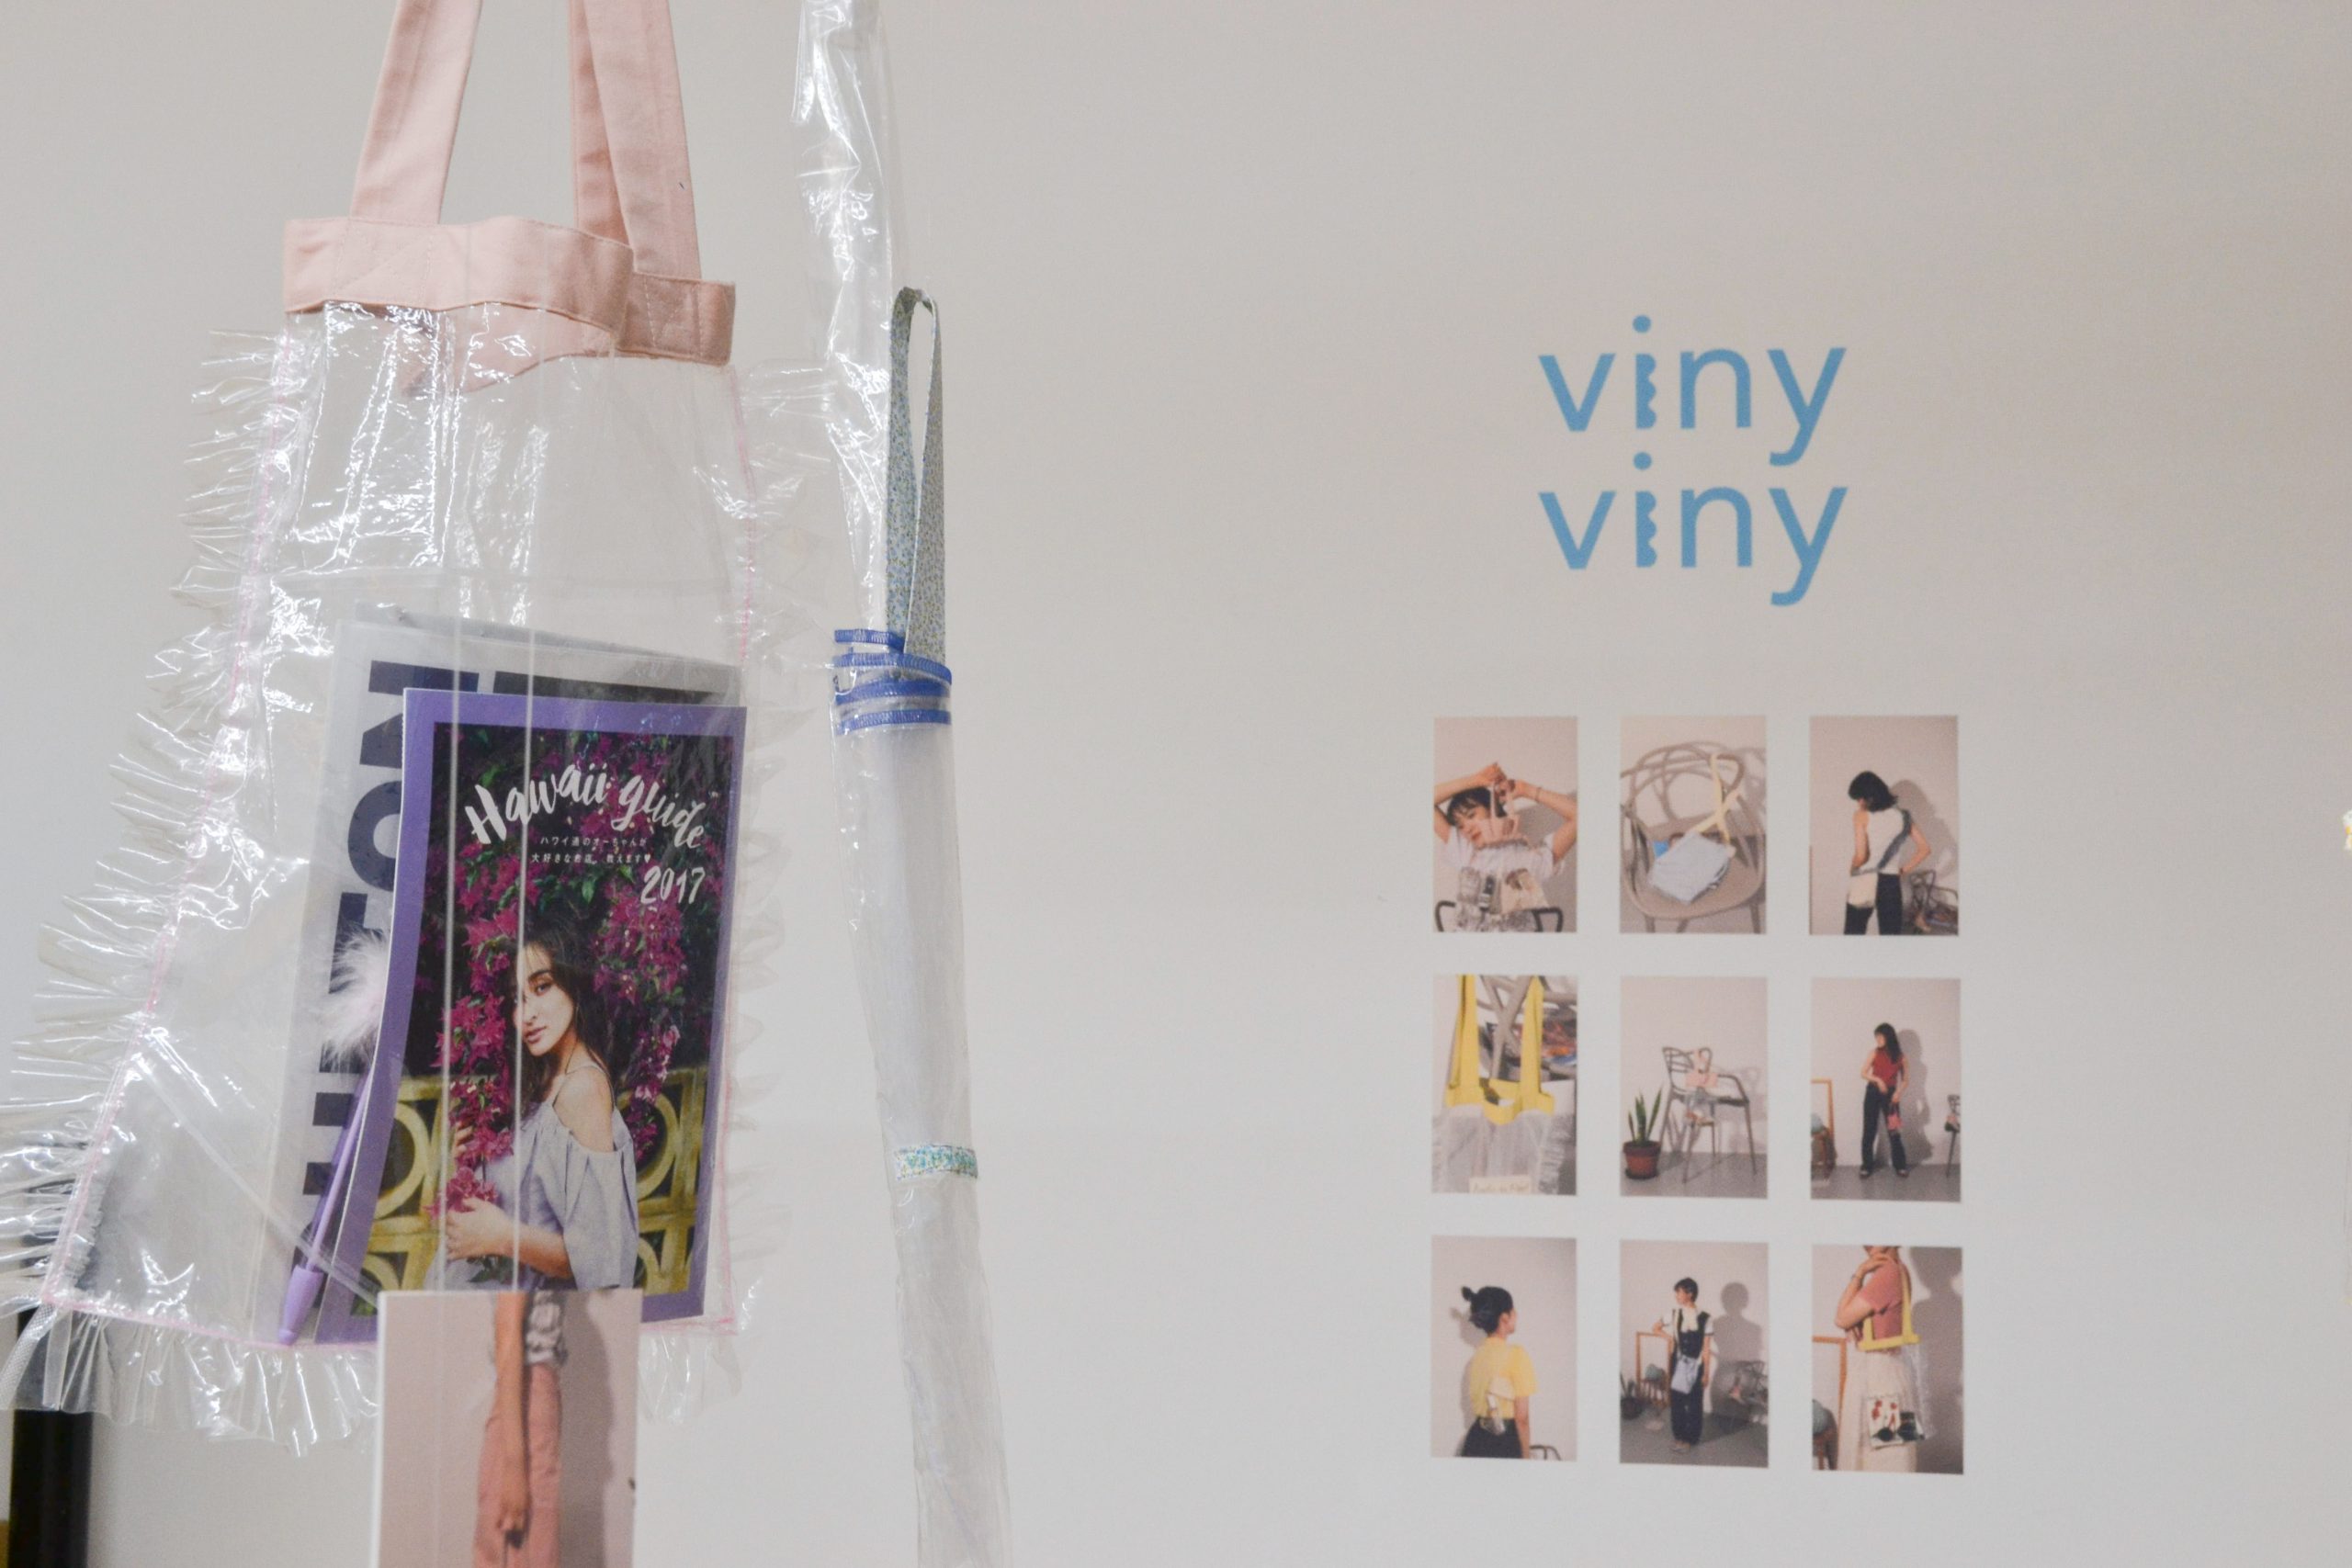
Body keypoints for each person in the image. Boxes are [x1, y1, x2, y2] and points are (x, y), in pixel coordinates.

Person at [445, 918, 641, 1291]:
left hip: (535, 1314)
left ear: (574, 982)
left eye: (542, 987)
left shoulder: (584, 1088)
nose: (527, 1015)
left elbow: (601, 1257)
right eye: (517, 998)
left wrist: (503, 1236)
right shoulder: (546, 1077)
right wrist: (472, 1165)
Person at [478, 1288, 564, 1564]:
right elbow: (508, 1326)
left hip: (528, 1392)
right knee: (522, 1549)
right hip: (525, 1395)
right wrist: (514, 1466)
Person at [1434, 762, 1578, 929]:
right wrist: (1476, 780)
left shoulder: (1531, 857)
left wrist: (1526, 790)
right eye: (1460, 826)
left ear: (1493, 808)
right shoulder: (1464, 849)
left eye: (1471, 815)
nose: (1467, 828)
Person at [1832, 1247, 1925, 1472]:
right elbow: (1849, 1318)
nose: (1867, 1243)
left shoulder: (1887, 1274)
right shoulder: (1901, 1270)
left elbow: (1841, 1318)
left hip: (1879, 1373)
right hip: (1892, 1368)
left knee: (1885, 1455)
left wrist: (1859, 1273)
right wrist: (1855, 1321)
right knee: (1892, 1450)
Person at [1843, 771, 1929, 934]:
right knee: (1891, 936)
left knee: (1853, 934)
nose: (1859, 803)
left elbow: (1861, 856)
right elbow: (1925, 849)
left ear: (1869, 796)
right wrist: (1901, 871)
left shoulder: (1861, 815)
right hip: (1891, 882)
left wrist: (1852, 868)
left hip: (1864, 879)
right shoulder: (1904, 817)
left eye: (1859, 798)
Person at [1457, 1285, 1537, 1458]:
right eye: (1513, 1311)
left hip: (1475, 1441)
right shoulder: (1517, 1355)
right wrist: (1526, 1456)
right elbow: (1522, 1419)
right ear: (1505, 1318)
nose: (1516, 1315)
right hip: (1504, 1442)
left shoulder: (1477, 1357)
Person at [1650, 1278, 1713, 1452]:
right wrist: (1669, 1338)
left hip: (1696, 1365)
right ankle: (1679, 1437)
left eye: (1679, 1292)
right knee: (1677, 1401)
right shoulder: (1674, 1313)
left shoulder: (1706, 1318)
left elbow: (1706, 1348)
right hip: (1678, 1363)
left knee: (1694, 1403)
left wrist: (1706, 1373)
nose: (1676, 1296)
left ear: (1689, 1293)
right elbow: (1655, 1327)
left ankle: (1690, 1439)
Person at [1859, 1023, 1911, 1179]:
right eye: (1876, 1036)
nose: (1878, 1039)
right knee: (1869, 1129)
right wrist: (1878, 1080)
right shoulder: (1874, 1052)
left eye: (1880, 1036)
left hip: (1891, 1096)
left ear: (1889, 1036)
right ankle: (1866, 1166)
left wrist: (1898, 1093)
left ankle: (1900, 1165)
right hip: (1873, 1092)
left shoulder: (1901, 1057)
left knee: (1894, 1131)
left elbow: (1906, 1080)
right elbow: (1863, 1073)